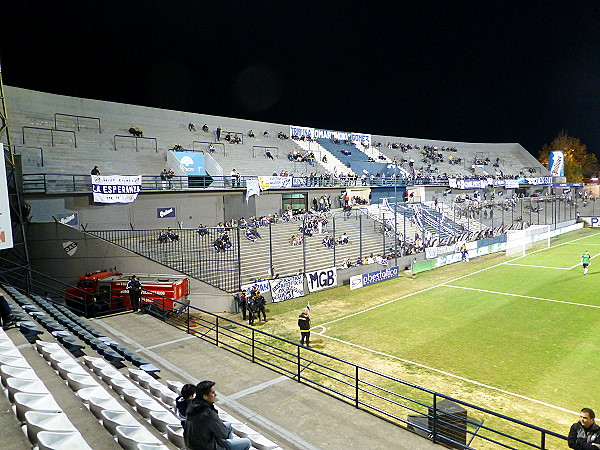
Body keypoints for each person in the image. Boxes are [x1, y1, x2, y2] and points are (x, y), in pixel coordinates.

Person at [184, 381, 251, 450]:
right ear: (205, 397)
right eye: (213, 393)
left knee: (228, 425)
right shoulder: (208, 413)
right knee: (247, 442)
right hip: (205, 447)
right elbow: (223, 434)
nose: (215, 395)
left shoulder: (192, 405)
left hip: (191, 444)